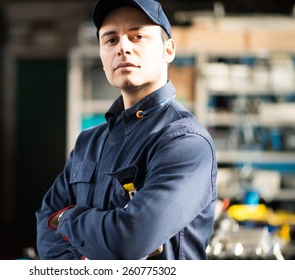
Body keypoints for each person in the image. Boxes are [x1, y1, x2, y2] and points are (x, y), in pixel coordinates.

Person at [36, 0, 217, 260]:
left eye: (138, 36)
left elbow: (128, 241)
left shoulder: (186, 143)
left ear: (168, 50)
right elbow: (45, 224)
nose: (123, 48)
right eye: (110, 40)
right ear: (101, 55)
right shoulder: (88, 143)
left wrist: (66, 218)